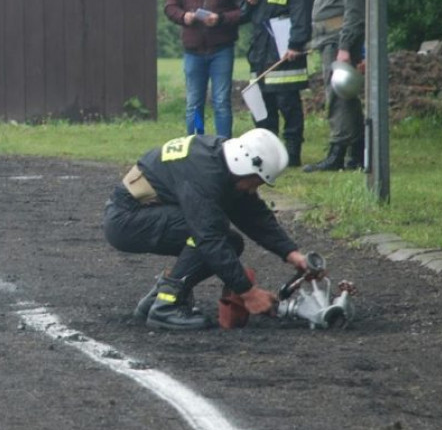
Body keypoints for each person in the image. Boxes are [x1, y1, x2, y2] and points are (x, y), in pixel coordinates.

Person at [103, 128, 310, 330]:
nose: (254, 189)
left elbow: (252, 213)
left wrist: (290, 253)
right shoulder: (205, 176)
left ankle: (158, 298)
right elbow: (209, 238)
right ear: (245, 166)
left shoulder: (220, 162)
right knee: (212, 236)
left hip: (139, 212)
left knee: (229, 241)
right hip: (126, 219)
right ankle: (166, 306)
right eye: (256, 182)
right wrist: (248, 293)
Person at [241, 0, 313, 166]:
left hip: (285, 46)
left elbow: (301, 6)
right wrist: (248, 2)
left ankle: (292, 155)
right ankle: (269, 154)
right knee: (261, 104)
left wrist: (296, 42)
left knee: (287, 102)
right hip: (260, 49)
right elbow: (244, 15)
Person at [164, 0, 246, 138]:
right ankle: (196, 143)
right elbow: (170, 6)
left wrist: (219, 19)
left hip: (222, 49)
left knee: (221, 101)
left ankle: (223, 146)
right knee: (194, 102)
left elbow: (243, 12)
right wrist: (184, 17)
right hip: (193, 50)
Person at [303, 0, 366, 172]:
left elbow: (353, 11)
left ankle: (337, 153)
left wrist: (345, 46)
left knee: (338, 96)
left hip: (339, 40)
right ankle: (357, 152)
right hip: (326, 39)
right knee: (345, 95)